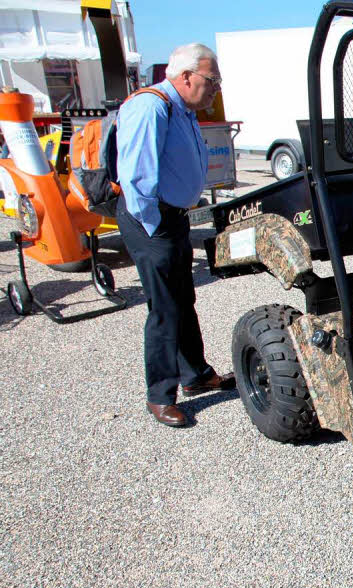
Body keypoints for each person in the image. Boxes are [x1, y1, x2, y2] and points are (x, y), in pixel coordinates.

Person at [116, 43, 235, 427]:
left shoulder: (180, 109)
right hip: (153, 221)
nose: (216, 88)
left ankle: (195, 375)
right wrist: (154, 227)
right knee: (165, 308)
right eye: (211, 80)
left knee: (183, 298)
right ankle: (160, 394)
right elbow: (136, 178)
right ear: (186, 77)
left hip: (172, 218)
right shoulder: (152, 107)